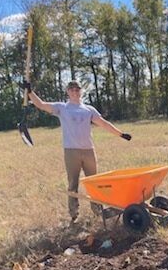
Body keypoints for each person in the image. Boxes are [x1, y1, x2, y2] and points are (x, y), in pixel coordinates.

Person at [24, 79, 132, 223]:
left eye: (77, 89)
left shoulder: (89, 110)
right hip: (71, 152)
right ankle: (74, 215)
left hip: (88, 151)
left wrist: (121, 134)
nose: (75, 91)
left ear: (81, 91)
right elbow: (41, 105)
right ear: (68, 92)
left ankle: (98, 212)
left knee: (94, 182)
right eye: (72, 89)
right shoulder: (62, 108)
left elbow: (104, 123)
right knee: (73, 183)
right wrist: (30, 92)